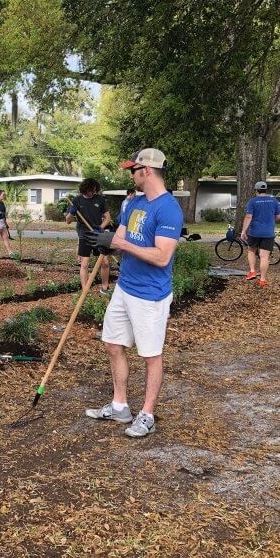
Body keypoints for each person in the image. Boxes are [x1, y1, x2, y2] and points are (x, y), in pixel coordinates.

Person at [84, 148, 183, 438]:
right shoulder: (134, 203)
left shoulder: (168, 209)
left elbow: (162, 256)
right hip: (125, 287)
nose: (131, 174)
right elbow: (121, 239)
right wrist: (108, 244)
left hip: (151, 294)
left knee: (151, 355)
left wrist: (123, 246)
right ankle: (119, 405)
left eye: (133, 170)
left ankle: (147, 414)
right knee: (113, 344)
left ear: (147, 171)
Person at [65, 178, 111, 293]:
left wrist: (100, 227)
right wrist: (72, 212)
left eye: (95, 190)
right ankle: (85, 291)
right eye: (92, 190)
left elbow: (108, 218)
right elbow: (68, 221)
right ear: (86, 189)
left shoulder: (100, 200)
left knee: (105, 262)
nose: (94, 193)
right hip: (84, 235)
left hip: (98, 234)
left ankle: (105, 288)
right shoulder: (77, 201)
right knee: (84, 265)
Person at [241, 181, 280, 287]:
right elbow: (278, 217)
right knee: (264, 257)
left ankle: (253, 271)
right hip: (268, 233)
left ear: (256, 190)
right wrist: (270, 221)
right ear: (265, 190)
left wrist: (244, 231)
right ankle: (262, 280)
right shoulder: (274, 201)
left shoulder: (252, 201)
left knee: (251, 250)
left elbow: (249, 217)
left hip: (254, 232)